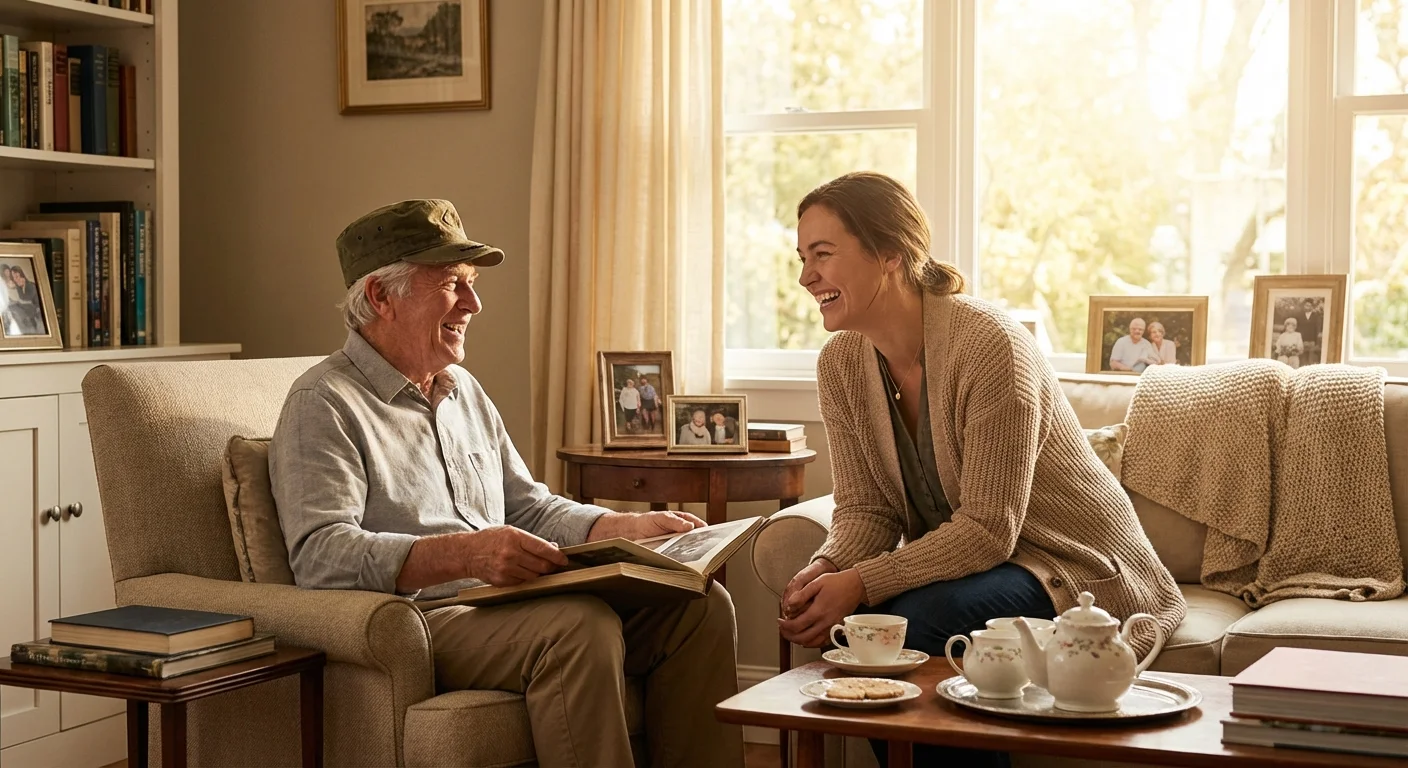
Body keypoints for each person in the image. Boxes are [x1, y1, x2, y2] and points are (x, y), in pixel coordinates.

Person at [269, 199, 743, 768]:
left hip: (504, 603)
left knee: (699, 607)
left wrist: (625, 526)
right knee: (579, 626)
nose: (474, 303)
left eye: (470, 284)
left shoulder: (462, 389)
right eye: (452, 284)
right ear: (380, 297)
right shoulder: (322, 403)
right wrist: (466, 554)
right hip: (421, 621)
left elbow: (529, 508)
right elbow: (320, 555)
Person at [780, 173, 1186, 768]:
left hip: (1065, 562)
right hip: (982, 563)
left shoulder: (991, 344)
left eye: (823, 255)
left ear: (890, 254)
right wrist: (827, 567)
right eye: (802, 257)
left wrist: (863, 583)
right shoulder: (840, 364)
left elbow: (991, 529)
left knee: (912, 621)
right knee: (868, 628)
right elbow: (867, 509)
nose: (805, 276)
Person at [1297, 298, 1323, 364]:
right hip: (1302, 339)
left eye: (1309, 305)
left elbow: (1318, 328)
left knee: (1311, 357)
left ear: (1312, 307)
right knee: (1302, 356)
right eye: (1306, 305)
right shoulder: (1300, 315)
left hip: (1312, 340)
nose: (1307, 307)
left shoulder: (1316, 316)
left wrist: (1316, 341)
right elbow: (1298, 327)